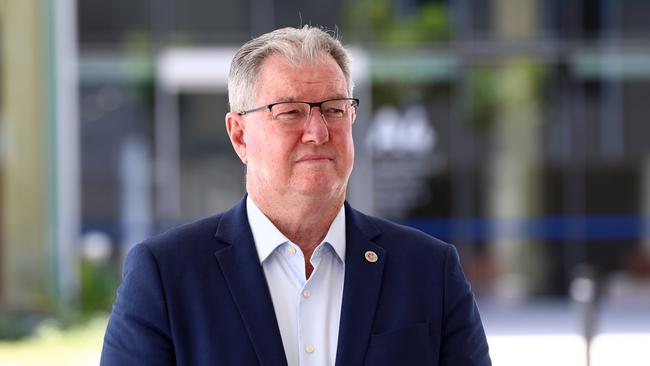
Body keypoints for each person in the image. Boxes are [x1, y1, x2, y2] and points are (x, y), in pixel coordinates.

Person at [101, 26, 491, 366]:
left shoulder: (429, 271)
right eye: (290, 112)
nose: (318, 132)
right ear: (239, 135)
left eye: (335, 109)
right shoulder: (166, 276)